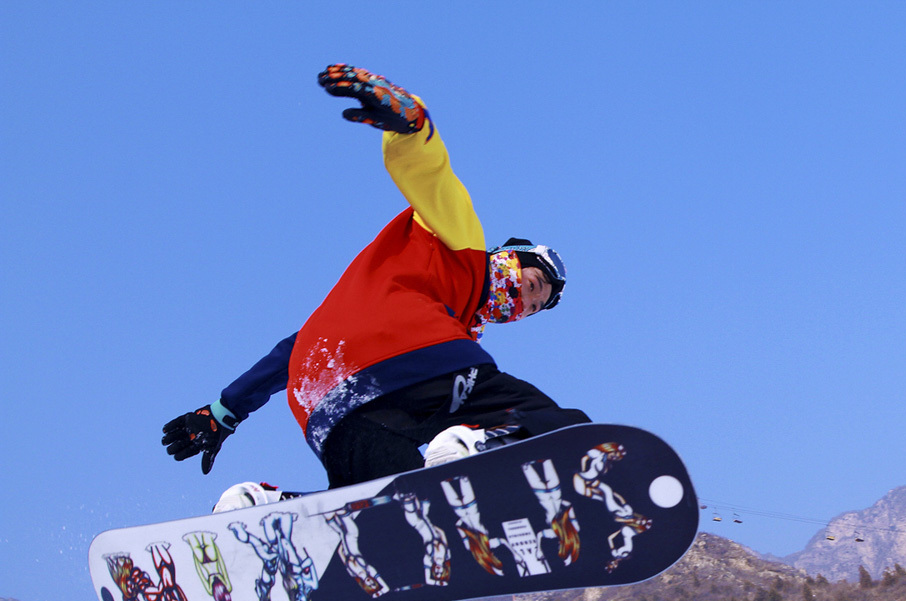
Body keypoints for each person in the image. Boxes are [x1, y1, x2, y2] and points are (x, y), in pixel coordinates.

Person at [161, 65, 589, 510]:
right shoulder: (461, 243)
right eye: (531, 283)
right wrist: (411, 125)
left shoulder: (441, 303)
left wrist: (224, 411)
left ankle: (263, 507)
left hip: (326, 399)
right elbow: (431, 175)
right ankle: (477, 447)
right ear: (508, 256)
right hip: (407, 359)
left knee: (394, 504)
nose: (523, 301)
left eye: (533, 307)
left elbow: (297, 348)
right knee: (559, 425)